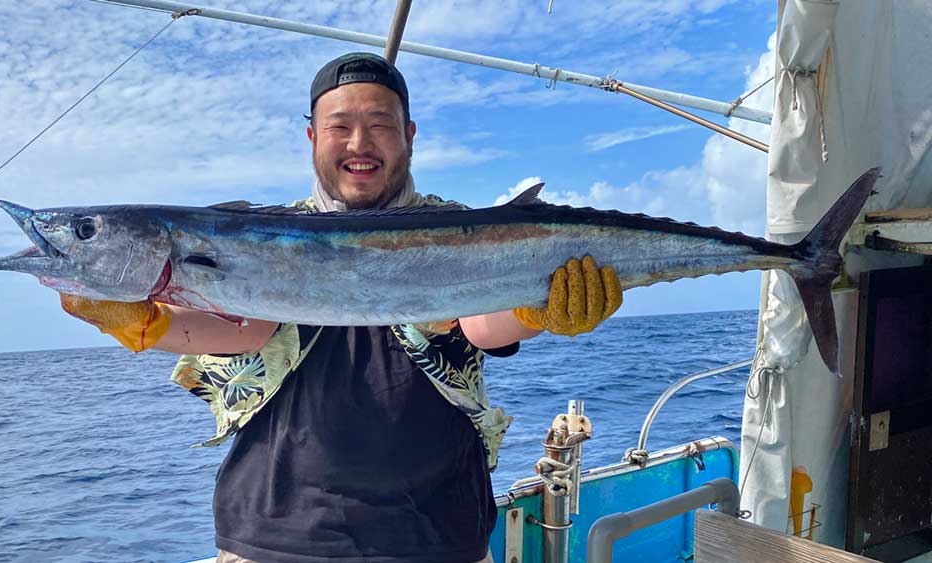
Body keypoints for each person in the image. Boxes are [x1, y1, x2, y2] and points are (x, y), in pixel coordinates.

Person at [61, 52, 623, 563]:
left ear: (409, 136)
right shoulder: (264, 234)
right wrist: (144, 322)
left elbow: (478, 323)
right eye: (340, 127)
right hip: (272, 536)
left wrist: (536, 308)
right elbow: (243, 331)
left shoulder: (461, 228)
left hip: (439, 536)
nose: (360, 142)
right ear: (312, 137)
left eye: (380, 125)